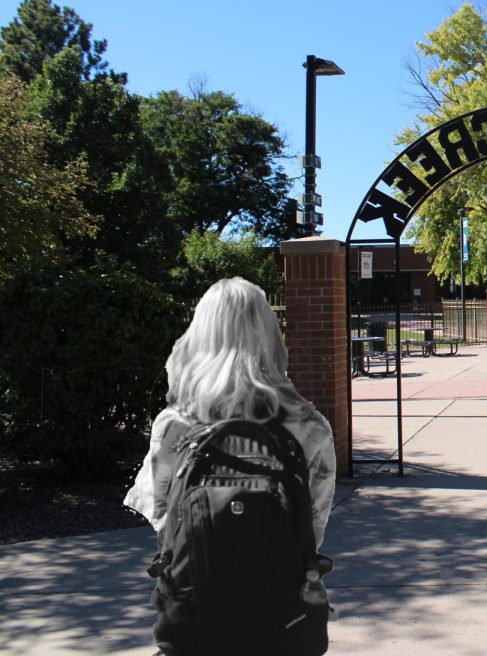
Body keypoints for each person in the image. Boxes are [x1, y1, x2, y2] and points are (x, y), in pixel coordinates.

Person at [124, 277, 337, 653]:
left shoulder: (174, 424)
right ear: (272, 337)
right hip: (285, 621)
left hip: (195, 617)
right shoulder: (309, 425)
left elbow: (162, 520)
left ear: (200, 336)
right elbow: (312, 528)